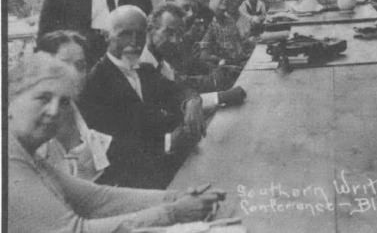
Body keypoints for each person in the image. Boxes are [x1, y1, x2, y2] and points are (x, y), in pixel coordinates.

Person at [8, 52, 225, 233]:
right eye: (43, 98)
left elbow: (95, 198)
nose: (55, 111)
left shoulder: (26, 153)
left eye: (64, 102)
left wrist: (177, 197)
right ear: (9, 99)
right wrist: (173, 212)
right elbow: (75, 229)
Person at [79, 6, 206, 189]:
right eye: (125, 34)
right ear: (107, 35)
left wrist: (192, 101)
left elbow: (179, 89)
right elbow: (111, 149)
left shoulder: (145, 71)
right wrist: (168, 143)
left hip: (162, 170)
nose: (135, 42)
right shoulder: (94, 83)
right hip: (128, 184)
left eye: (140, 34)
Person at [34, 31, 111, 181]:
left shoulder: (92, 111)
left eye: (80, 65)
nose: (73, 73)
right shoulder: (31, 121)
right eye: (63, 64)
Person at [199, 0, 254, 66]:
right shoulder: (205, 21)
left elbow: (238, 49)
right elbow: (204, 55)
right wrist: (224, 61)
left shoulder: (229, 20)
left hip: (237, 66)